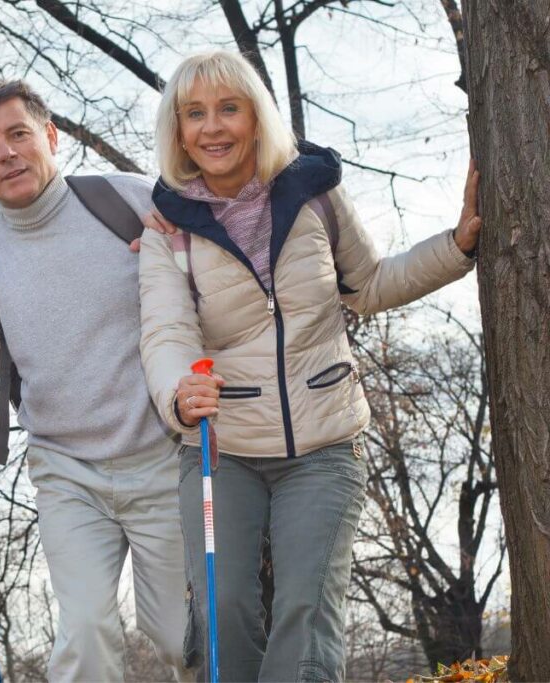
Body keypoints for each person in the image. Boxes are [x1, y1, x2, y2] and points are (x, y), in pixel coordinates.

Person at [138, 51, 481, 682]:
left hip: (324, 441)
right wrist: (178, 390)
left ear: (256, 117)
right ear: (179, 131)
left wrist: (457, 247)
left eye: (228, 109)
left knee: (306, 609)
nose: (213, 127)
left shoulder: (313, 191)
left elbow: (371, 285)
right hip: (221, 447)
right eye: (195, 114)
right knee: (224, 606)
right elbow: (164, 331)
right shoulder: (169, 228)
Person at [0, 80, 191, 681]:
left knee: (179, 637)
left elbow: (212, 275)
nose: (5, 153)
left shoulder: (125, 200)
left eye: (17, 135)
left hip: (165, 455)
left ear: (50, 137)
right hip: (68, 473)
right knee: (85, 633)